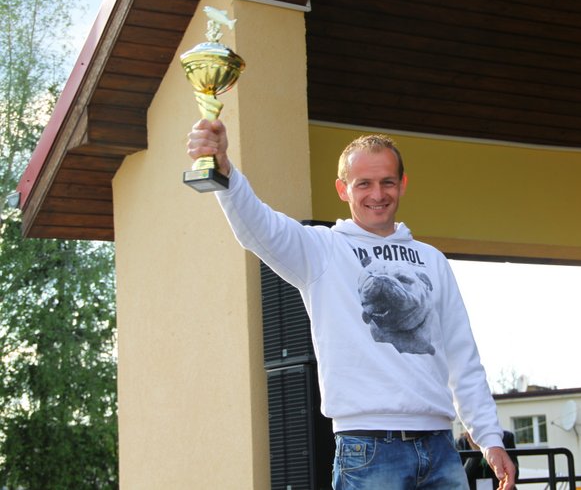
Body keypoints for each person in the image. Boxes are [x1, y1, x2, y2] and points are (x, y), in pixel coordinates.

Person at [187, 119, 516, 490]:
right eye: (364, 183)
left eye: (387, 182)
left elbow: (462, 355)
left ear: (403, 184)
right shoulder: (322, 249)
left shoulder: (432, 260)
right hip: (368, 450)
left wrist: (489, 437)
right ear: (343, 189)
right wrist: (223, 169)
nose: (377, 194)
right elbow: (257, 225)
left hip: (440, 449)